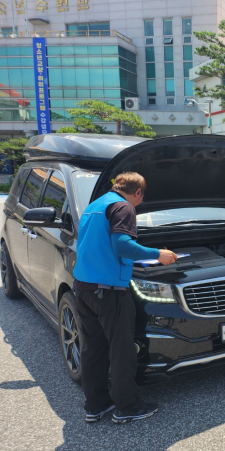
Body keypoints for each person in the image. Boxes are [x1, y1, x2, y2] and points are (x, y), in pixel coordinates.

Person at [73, 172, 177, 424]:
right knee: (121, 350)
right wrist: (158, 254)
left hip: (84, 287)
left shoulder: (95, 206)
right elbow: (122, 245)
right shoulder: (124, 207)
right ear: (138, 192)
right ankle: (127, 406)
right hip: (109, 291)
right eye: (142, 196)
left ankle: (96, 405)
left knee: (93, 349)